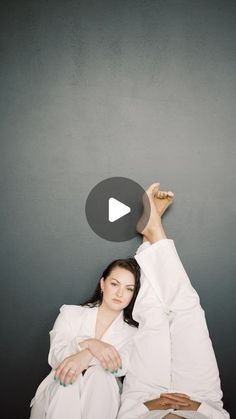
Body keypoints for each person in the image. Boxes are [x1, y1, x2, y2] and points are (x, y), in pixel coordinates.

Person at [118, 182, 230, 419]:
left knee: (152, 313)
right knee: (188, 310)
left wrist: (152, 405)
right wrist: (198, 407)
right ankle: (152, 232)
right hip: (199, 396)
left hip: (144, 397)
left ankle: (152, 234)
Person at [29, 257, 141, 419]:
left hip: (102, 395)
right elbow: (56, 357)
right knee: (69, 380)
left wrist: (86, 353)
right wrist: (91, 344)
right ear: (102, 284)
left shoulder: (133, 333)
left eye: (129, 289)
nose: (120, 293)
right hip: (61, 389)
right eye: (114, 284)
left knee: (100, 375)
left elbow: (119, 366)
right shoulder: (70, 314)